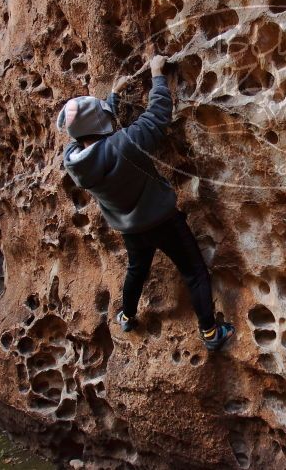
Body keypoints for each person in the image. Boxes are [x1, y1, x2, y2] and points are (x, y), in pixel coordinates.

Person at [56, 55, 235, 351]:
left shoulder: (74, 162)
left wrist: (111, 99)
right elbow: (157, 115)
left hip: (130, 229)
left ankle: (126, 315)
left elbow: (94, 137)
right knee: (194, 272)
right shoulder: (126, 143)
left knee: (137, 270)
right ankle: (211, 333)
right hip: (164, 221)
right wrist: (157, 75)